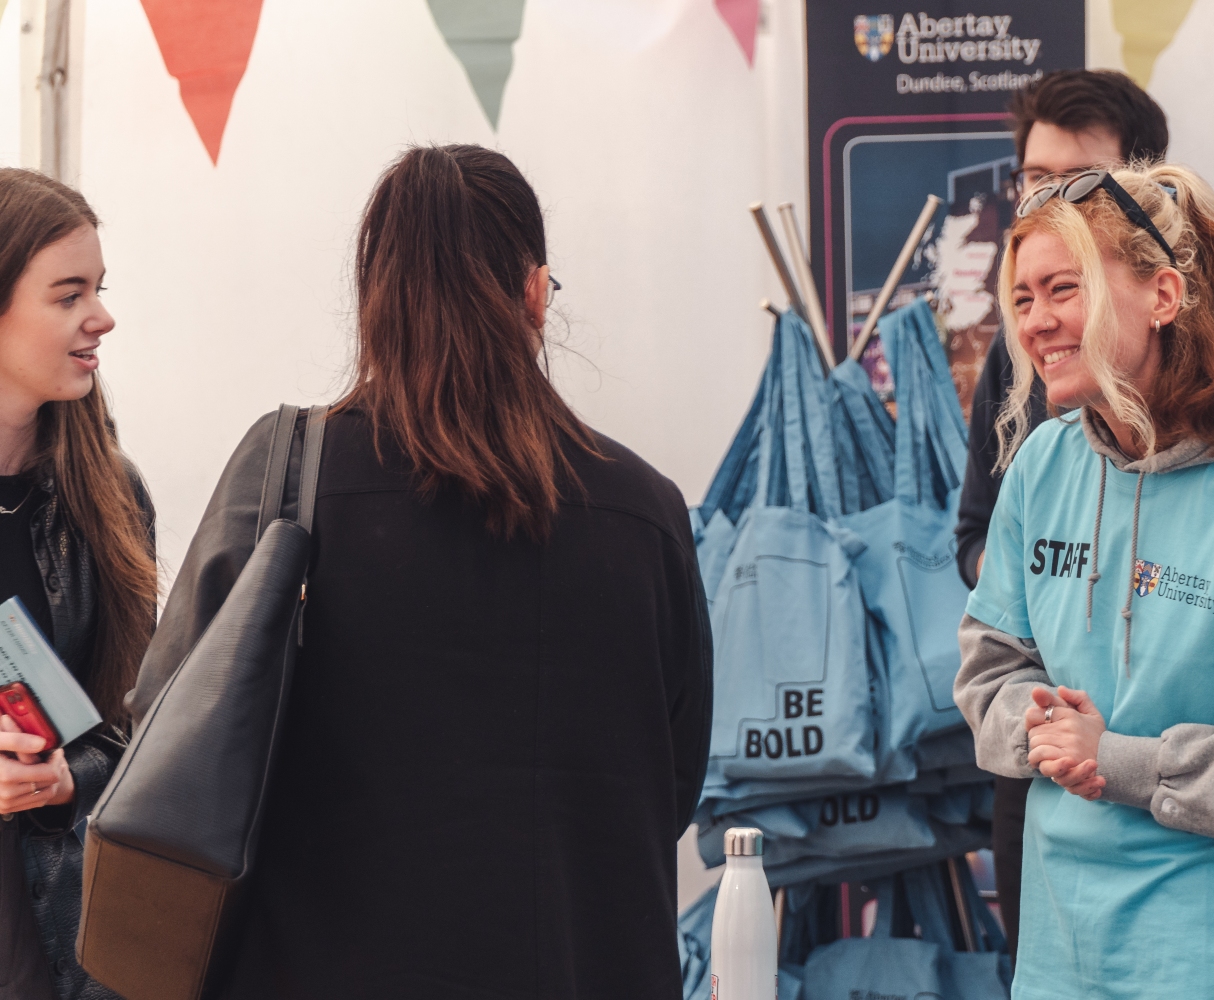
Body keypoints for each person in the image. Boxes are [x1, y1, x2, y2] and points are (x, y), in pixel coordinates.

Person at [126, 145, 712, 999]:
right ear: (537, 294)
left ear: (373, 300)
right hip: (587, 964)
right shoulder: (645, 511)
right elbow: (674, 781)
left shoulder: (288, 479)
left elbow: (168, 720)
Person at [954, 161, 1214, 998]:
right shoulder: (1041, 467)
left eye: (1063, 289)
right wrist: (1039, 724)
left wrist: (1118, 761)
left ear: (1164, 296)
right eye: (1024, 298)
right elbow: (989, 666)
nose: (1035, 323)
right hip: (1061, 959)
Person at [0, 170, 156, 999]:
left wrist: (69, 779)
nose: (102, 317)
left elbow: (141, 722)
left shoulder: (111, 496)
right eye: (69, 295)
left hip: (69, 936)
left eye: (98, 289)